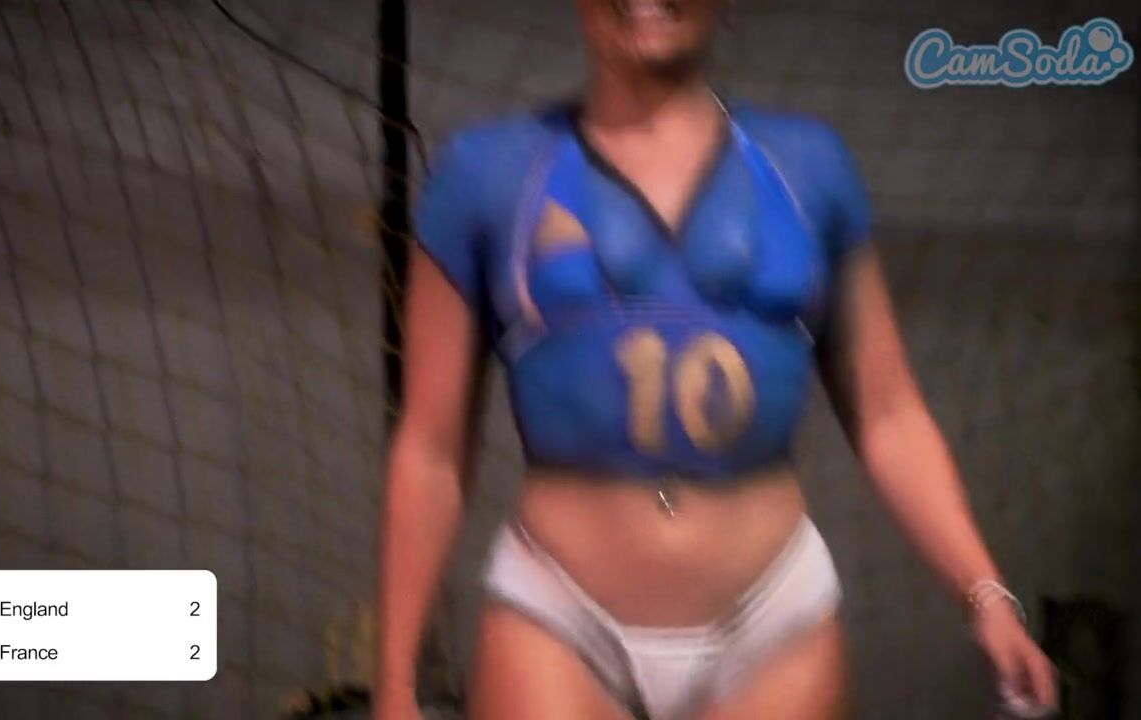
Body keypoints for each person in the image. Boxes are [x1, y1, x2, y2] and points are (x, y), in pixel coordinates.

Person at [373, 1, 1059, 718]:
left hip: (773, 621)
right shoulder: (487, 175)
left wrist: (985, 594)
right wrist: (392, 681)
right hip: (555, 618)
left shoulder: (810, 169)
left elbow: (888, 413)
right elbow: (431, 446)